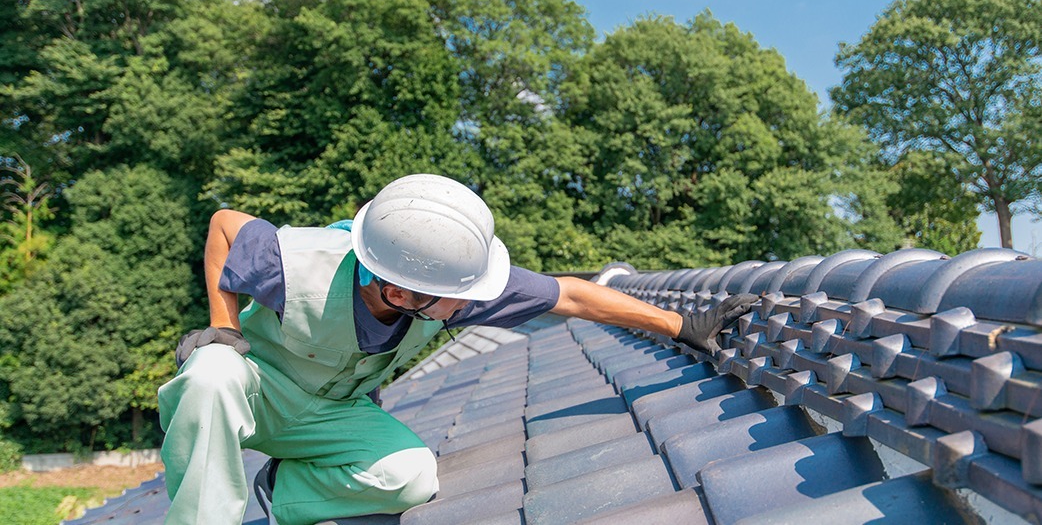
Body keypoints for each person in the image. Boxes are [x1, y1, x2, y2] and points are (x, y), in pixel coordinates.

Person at [158, 174, 756, 525]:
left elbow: (573, 296)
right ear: (400, 290)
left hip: (327, 411)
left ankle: (280, 492)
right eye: (455, 300)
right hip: (254, 388)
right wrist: (226, 331)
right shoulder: (303, 261)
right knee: (211, 372)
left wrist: (680, 326)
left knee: (411, 476)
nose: (470, 307)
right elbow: (225, 224)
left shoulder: (451, 285)